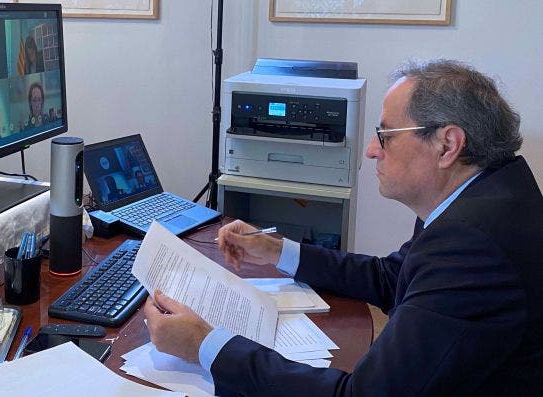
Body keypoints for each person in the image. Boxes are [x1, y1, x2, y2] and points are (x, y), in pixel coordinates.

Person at [144, 59, 543, 396]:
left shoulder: (471, 243)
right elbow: (393, 277)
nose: (370, 149)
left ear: (447, 145)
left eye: (385, 135)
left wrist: (204, 345)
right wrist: (277, 250)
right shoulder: (484, 197)